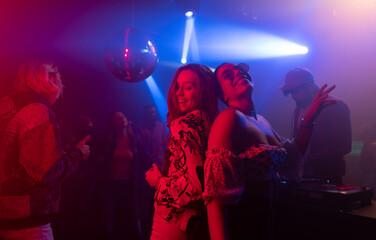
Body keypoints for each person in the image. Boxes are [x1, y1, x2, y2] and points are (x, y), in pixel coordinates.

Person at [202, 63, 336, 240]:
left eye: (239, 69)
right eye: (228, 74)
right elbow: (216, 198)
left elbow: (294, 155)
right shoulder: (228, 118)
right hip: (242, 226)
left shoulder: (262, 121)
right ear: (222, 95)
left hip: (267, 223)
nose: (238, 72)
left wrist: (309, 118)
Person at [0, 60, 90, 240]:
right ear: (48, 78)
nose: (61, 82)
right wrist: (78, 154)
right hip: (28, 221)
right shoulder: (37, 111)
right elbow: (46, 173)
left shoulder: (6, 105)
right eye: (58, 76)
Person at [145, 63, 218, 240]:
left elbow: (193, 187)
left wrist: (159, 181)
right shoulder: (213, 122)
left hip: (176, 219)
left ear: (204, 91)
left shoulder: (185, 125)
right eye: (178, 87)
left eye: (188, 87)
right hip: (199, 219)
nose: (178, 93)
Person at [280, 67, 352, 185]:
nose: (293, 96)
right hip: (302, 175)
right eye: (290, 92)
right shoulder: (299, 109)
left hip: (327, 176)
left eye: (295, 91)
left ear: (309, 87)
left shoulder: (335, 106)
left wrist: (306, 159)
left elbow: (343, 147)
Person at [102, 111, 139, 240]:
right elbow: (103, 163)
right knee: (110, 216)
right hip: (112, 183)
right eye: (117, 117)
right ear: (113, 123)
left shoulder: (133, 140)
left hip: (128, 183)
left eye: (122, 115)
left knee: (127, 215)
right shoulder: (110, 141)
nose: (122, 118)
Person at [135, 105, 168, 240]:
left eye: (154, 112)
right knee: (147, 203)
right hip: (146, 171)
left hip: (160, 169)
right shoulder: (138, 128)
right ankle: (147, 232)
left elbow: (166, 147)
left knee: (160, 202)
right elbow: (138, 150)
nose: (153, 115)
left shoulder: (161, 127)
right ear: (145, 114)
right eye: (150, 113)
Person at [359, 122, 376, 198]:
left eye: (362, 130)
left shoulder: (372, 146)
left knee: (370, 196)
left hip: (371, 175)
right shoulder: (367, 144)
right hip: (367, 174)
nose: (360, 132)